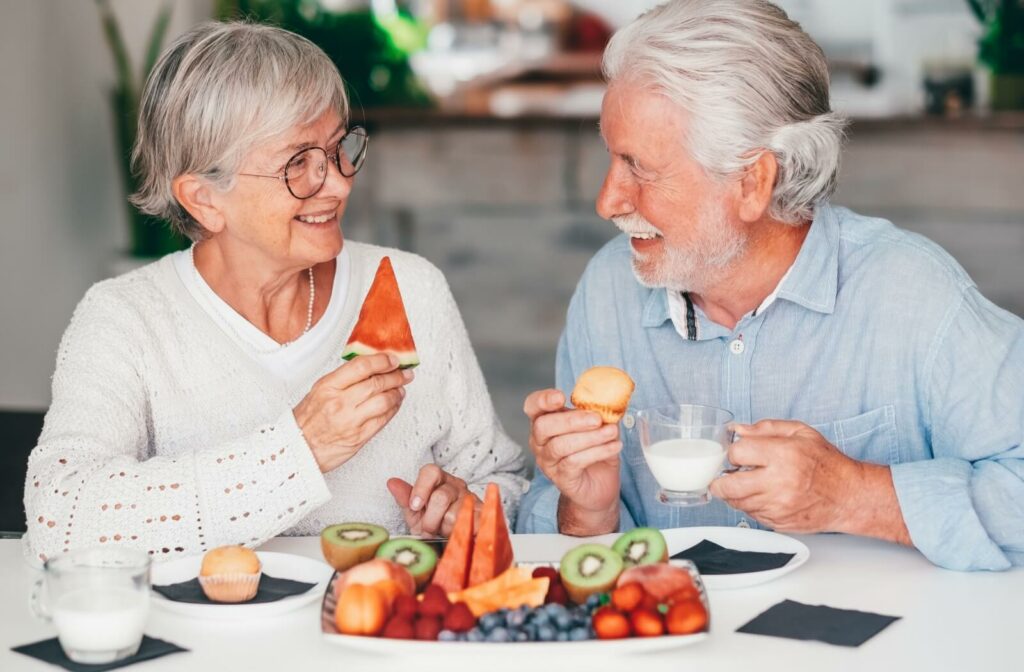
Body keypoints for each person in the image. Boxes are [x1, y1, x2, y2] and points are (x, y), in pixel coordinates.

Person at [516, 0, 1024, 572]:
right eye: (611, 159)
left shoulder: (910, 294)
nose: (607, 201)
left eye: (640, 168)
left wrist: (856, 494)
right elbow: (566, 543)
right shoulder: (608, 291)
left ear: (754, 181)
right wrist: (587, 512)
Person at [24, 22, 526, 564]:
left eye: (338, 149)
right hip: (208, 645)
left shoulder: (411, 286)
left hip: (383, 632)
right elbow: (59, 516)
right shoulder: (125, 317)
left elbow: (505, 484)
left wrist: (464, 506)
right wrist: (300, 450)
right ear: (204, 200)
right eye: (297, 165)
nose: (337, 183)